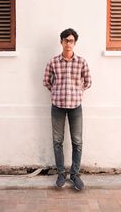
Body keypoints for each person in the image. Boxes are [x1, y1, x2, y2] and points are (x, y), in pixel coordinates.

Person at [43, 28, 92, 191]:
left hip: (75, 107)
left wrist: (77, 91)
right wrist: (57, 91)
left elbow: (88, 81)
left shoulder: (81, 62)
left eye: (71, 41)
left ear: (75, 43)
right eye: (65, 40)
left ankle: (75, 174)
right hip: (57, 106)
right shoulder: (53, 62)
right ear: (61, 42)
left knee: (77, 142)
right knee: (58, 141)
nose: (68, 43)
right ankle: (61, 174)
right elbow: (46, 81)